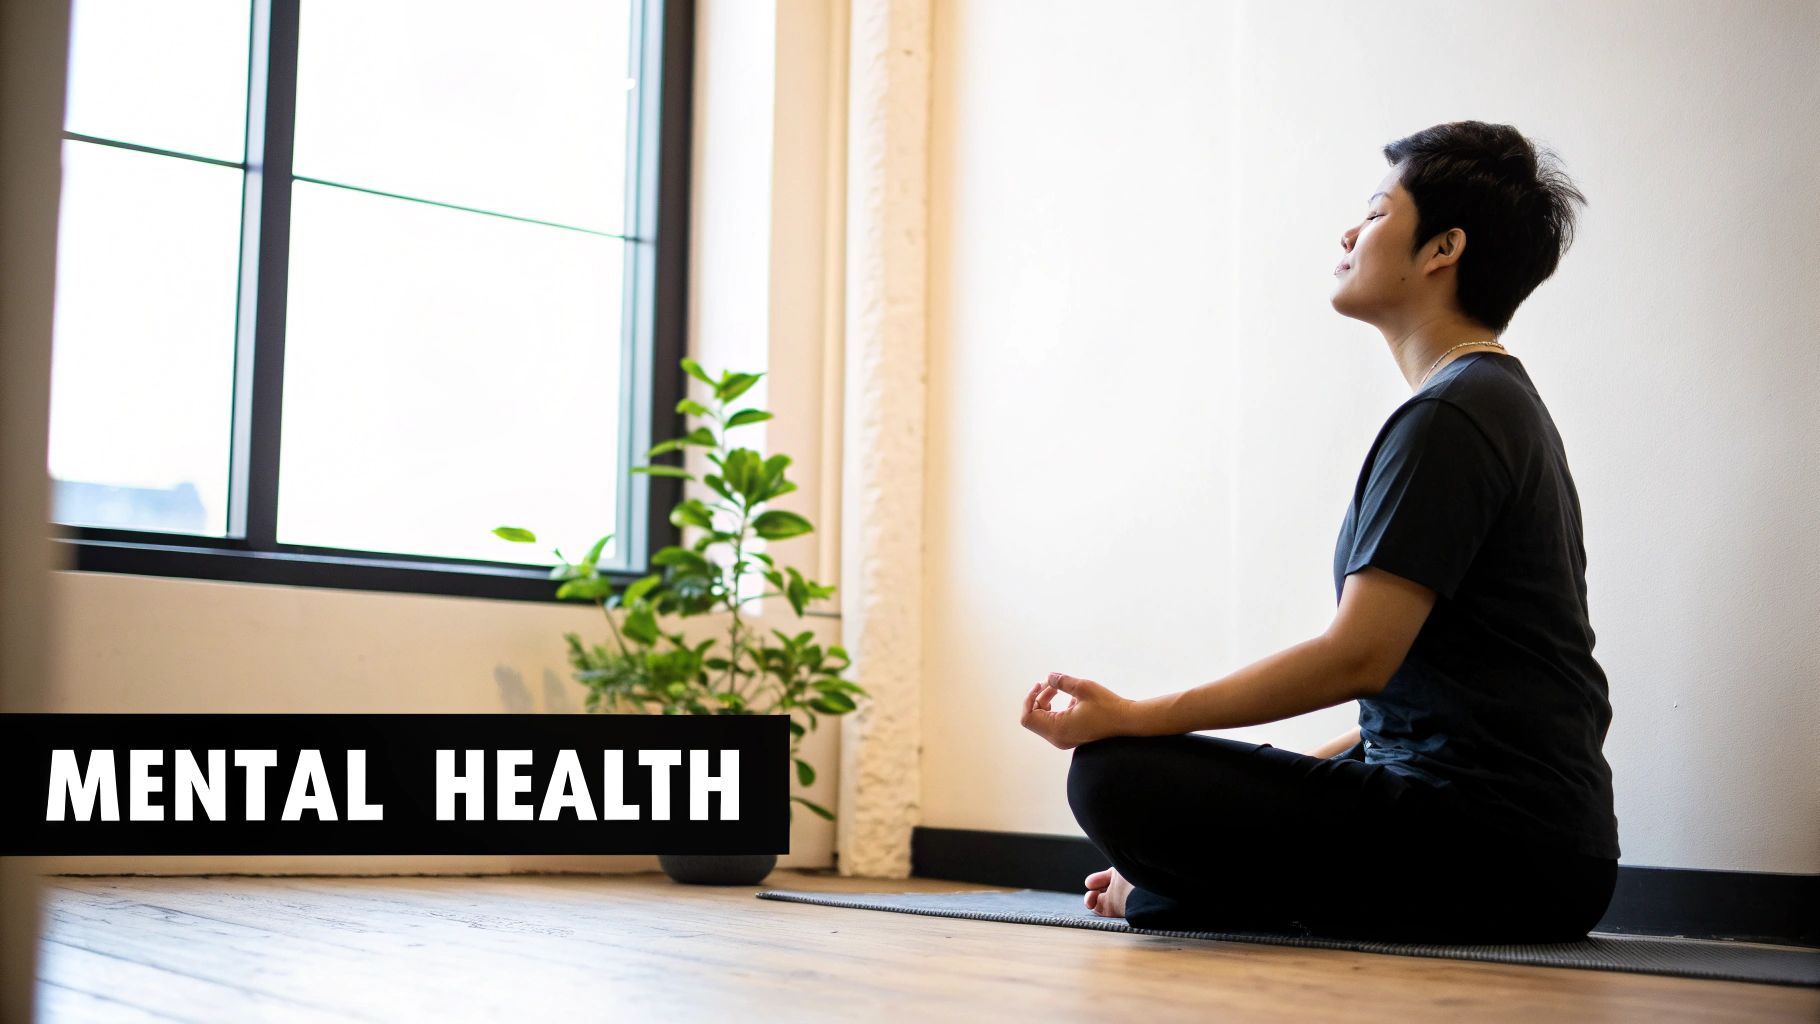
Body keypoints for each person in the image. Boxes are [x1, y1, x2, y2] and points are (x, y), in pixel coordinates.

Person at [1019, 121, 1620, 943]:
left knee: (1114, 775)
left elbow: (1354, 659)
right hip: (1541, 854)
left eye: (1375, 214)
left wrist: (1132, 716)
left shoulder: (1453, 414)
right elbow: (1396, 716)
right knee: (1160, 783)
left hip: (1497, 848)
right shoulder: (1486, 402)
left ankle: (1174, 896)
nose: (1348, 232)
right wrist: (1250, 796)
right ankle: (1184, 889)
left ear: (1443, 249)